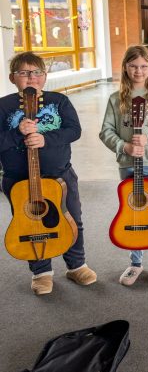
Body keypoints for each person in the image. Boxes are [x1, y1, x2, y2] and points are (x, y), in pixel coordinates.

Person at [0, 51, 97, 295]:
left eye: (36, 72)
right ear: (13, 78)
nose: (31, 78)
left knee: (72, 218)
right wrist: (16, 134)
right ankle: (41, 272)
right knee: (29, 225)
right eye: (23, 73)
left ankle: (76, 265)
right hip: (19, 180)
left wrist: (45, 138)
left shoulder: (59, 101)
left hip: (59, 176)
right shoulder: (4, 105)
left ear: (44, 77)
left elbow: (74, 130)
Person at [99, 45, 148, 286]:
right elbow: (106, 131)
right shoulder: (116, 99)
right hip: (127, 164)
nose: (139, 71)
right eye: (133, 66)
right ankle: (135, 262)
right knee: (132, 210)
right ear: (125, 67)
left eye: (144, 66)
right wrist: (124, 147)